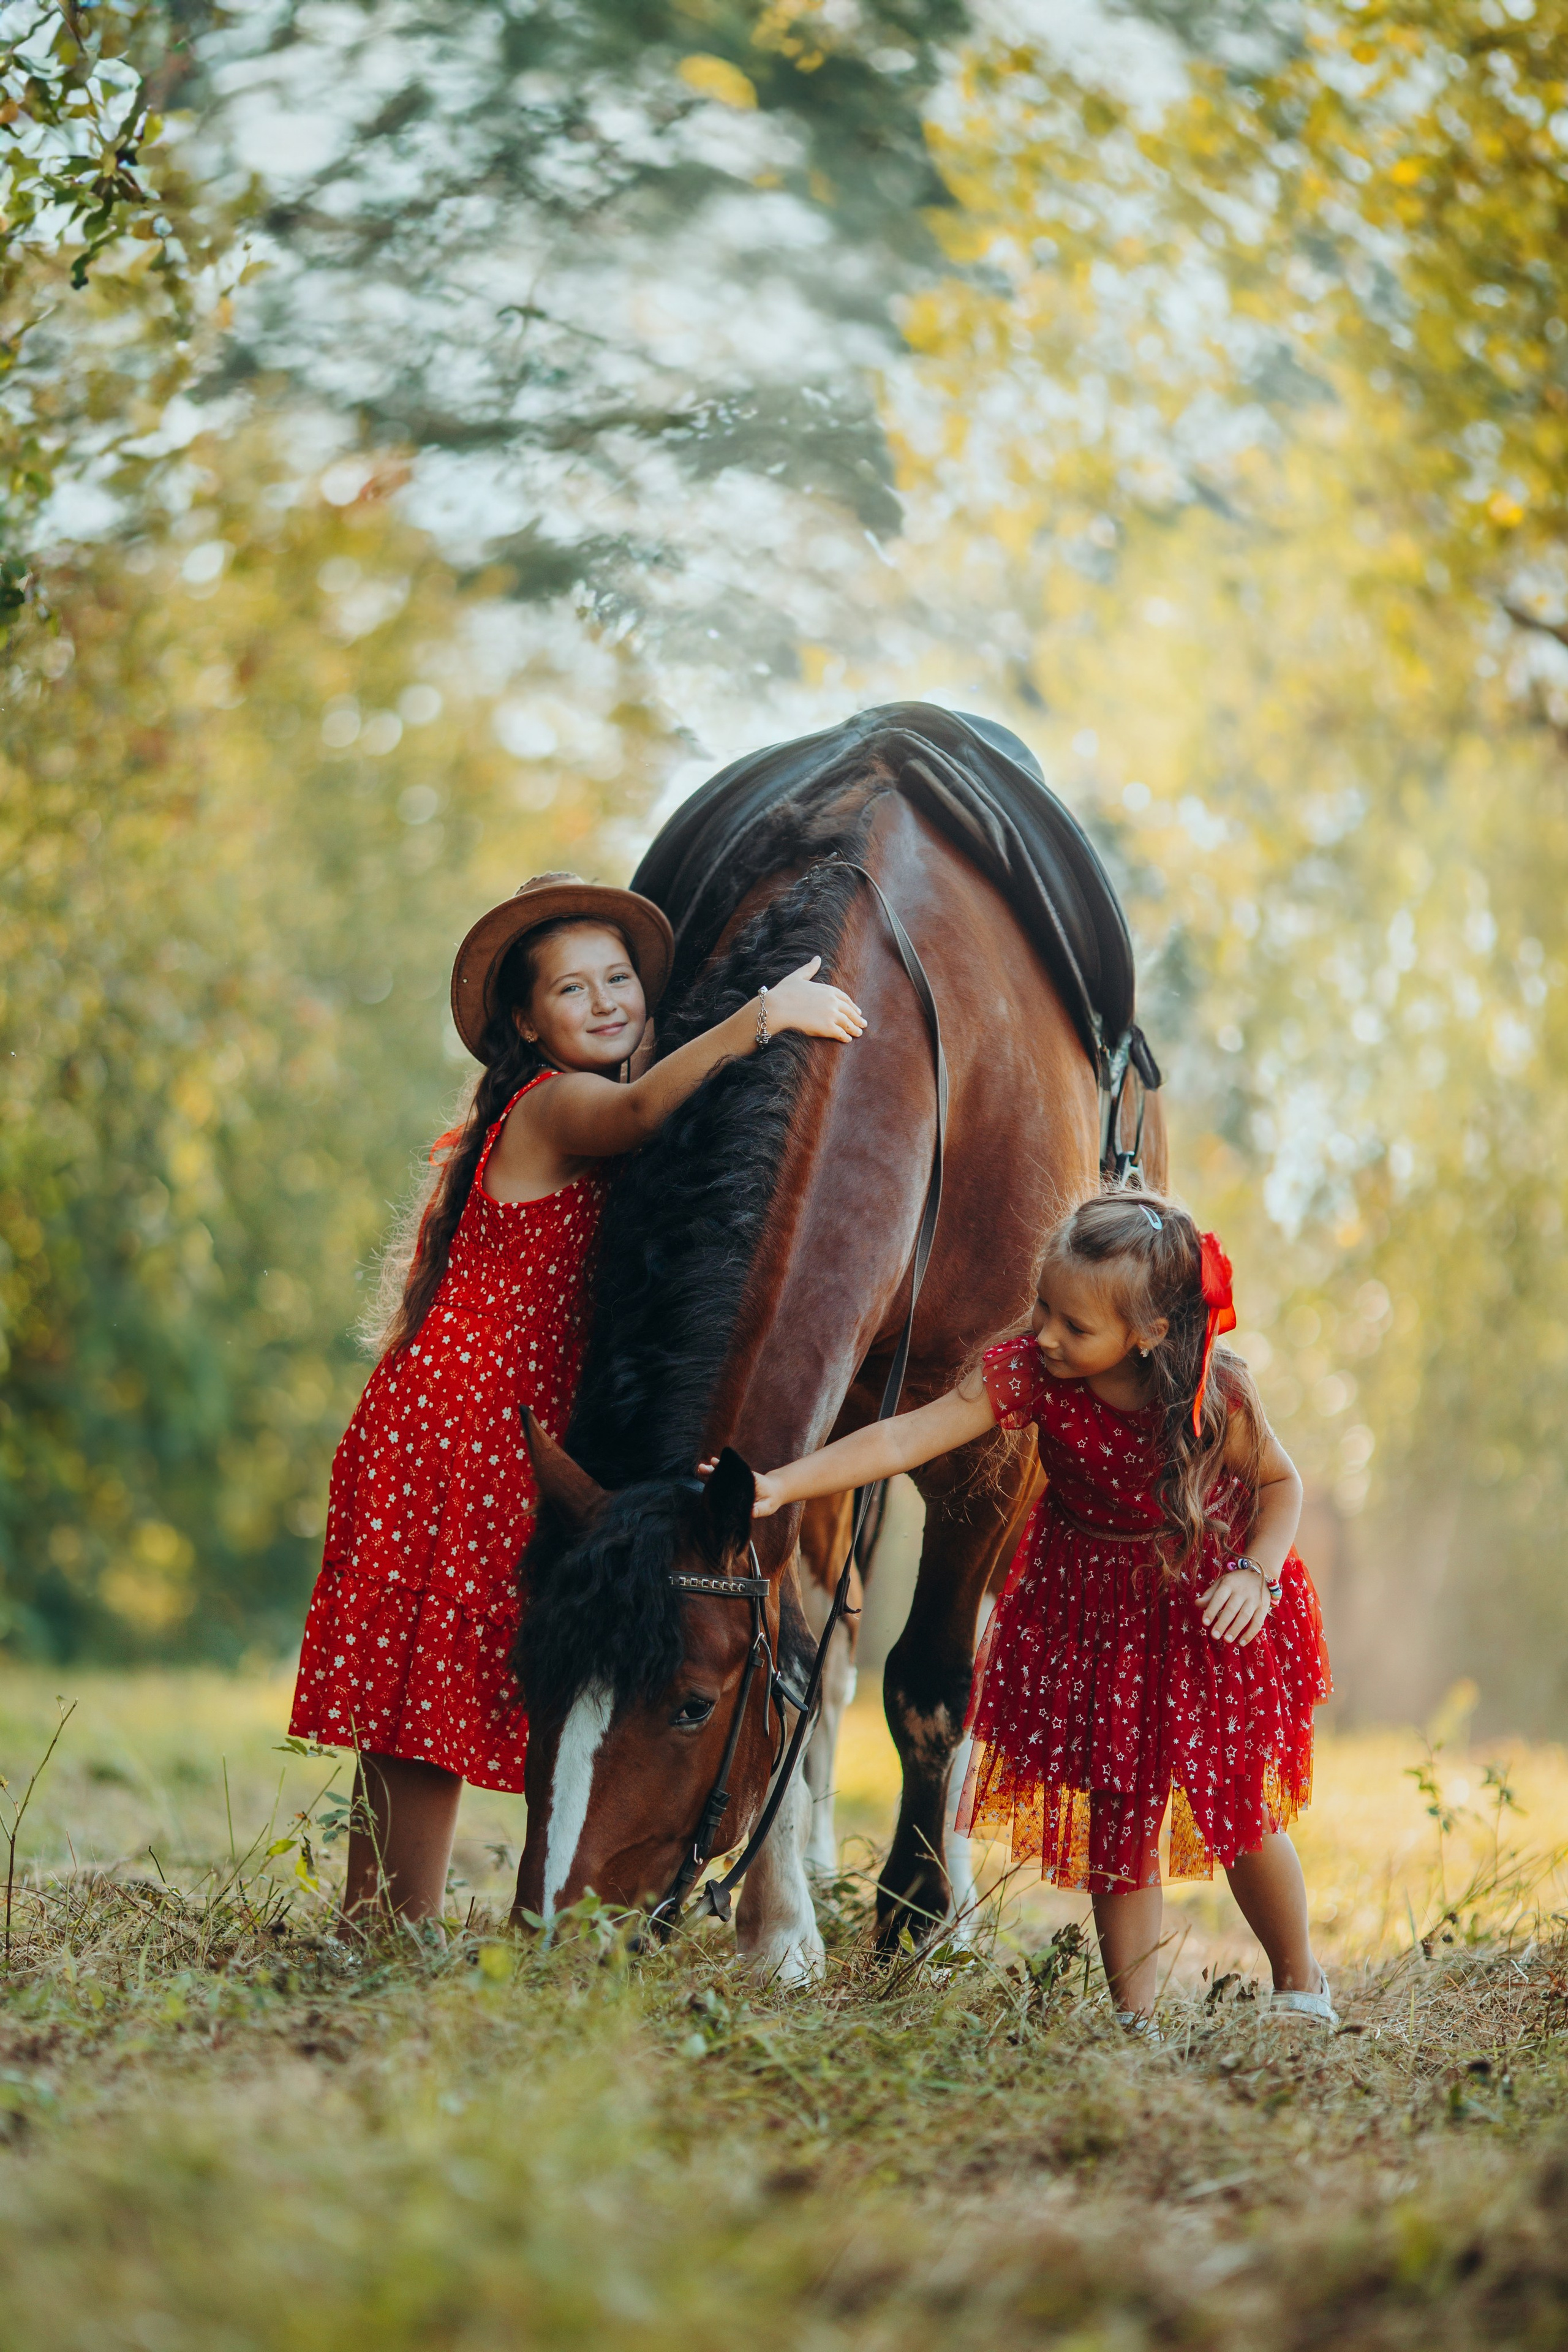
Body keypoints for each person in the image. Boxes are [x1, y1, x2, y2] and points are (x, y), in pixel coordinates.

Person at [289, 870, 865, 1929]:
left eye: (619, 980)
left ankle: (381, 1916)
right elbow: (646, 1106)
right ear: (525, 1019)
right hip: (463, 1420)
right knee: (428, 1684)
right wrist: (762, 1019)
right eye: (572, 990)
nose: (606, 1001)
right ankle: (389, 1928)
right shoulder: (561, 1104)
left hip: (469, 1414)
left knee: (428, 1680)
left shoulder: (562, 1103)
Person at [739, 1190, 1333, 2029]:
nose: (1046, 1334)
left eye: (1075, 1325)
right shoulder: (1027, 1370)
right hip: (1097, 1616)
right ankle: (1137, 2024)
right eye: (1044, 1307)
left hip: (1207, 1610)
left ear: (1150, 1332)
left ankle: (1300, 1981)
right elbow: (904, 1438)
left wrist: (1257, 1574)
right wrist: (781, 1484)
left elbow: (1282, 1484)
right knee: (1119, 1823)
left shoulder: (1210, 1394)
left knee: (1232, 1809)